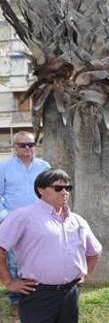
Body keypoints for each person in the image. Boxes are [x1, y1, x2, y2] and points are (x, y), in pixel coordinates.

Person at [0, 168, 101, 322]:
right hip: (38, 294)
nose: (64, 192)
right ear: (40, 189)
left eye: (68, 188)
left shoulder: (77, 220)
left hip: (70, 293)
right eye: (58, 188)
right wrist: (9, 282)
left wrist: (85, 275)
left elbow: (95, 251)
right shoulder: (23, 216)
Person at [0, 131, 50, 315]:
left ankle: (39, 295)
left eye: (31, 144)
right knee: (14, 261)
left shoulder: (44, 166)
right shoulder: (4, 168)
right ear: (15, 147)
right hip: (13, 222)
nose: (28, 148)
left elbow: (51, 193)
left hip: (40, 222)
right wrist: (5, 216)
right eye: (23, 145)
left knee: (40, 259)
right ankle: (16, 300)